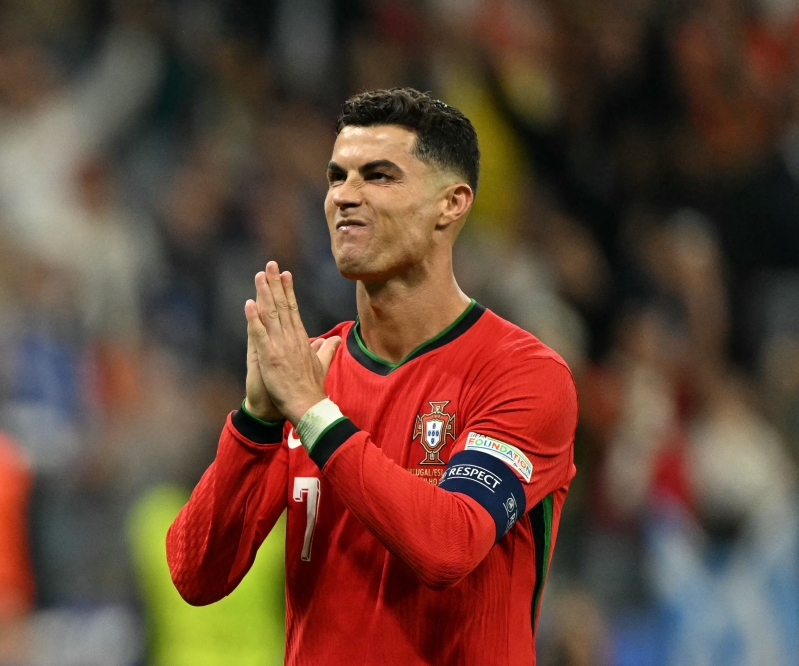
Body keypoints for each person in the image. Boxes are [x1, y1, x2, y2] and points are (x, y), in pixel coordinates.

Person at [166, 88, 577, 665]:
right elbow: (195, 575)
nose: (344, 197)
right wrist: (255, 423)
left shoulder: (522, 375)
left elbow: (449, 546)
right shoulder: (307, 373)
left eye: (378, 176)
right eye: (337, 177)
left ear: (452, 204)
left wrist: (314, 414)